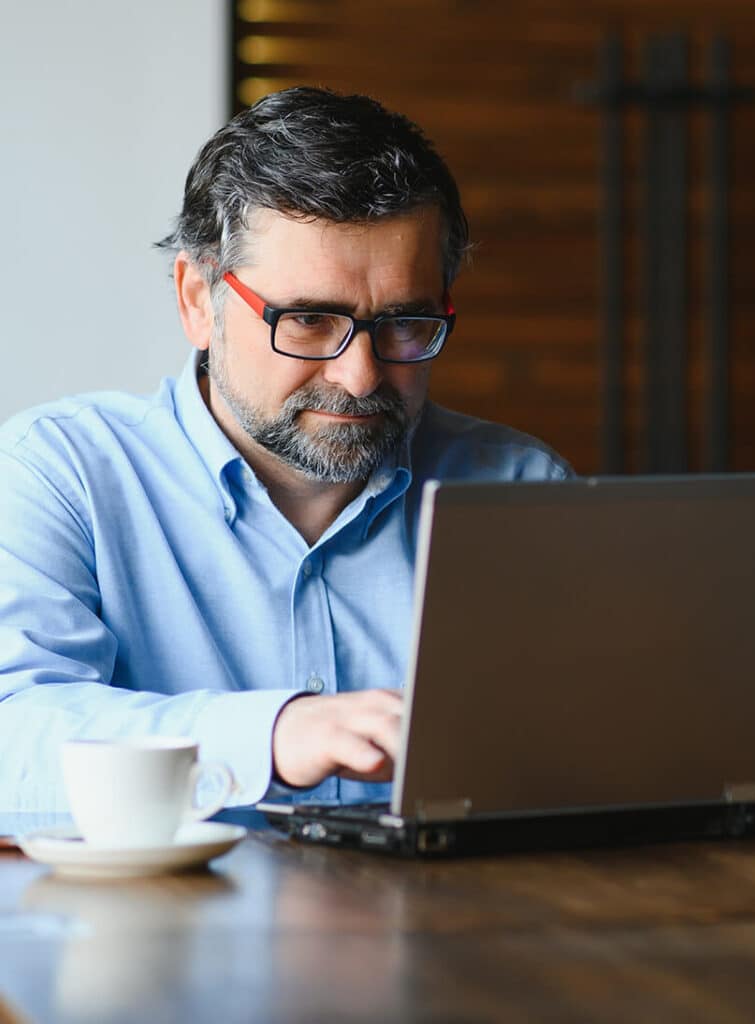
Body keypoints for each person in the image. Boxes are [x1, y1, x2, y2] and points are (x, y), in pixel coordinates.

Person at [0, 88, 570, 812]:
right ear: (197, 301)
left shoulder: (516, 487)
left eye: (404, 323)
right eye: (307, 320)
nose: (359, 375)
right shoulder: (58, 477)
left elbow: (585, 759)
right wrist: (271, 735)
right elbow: (11, 736)